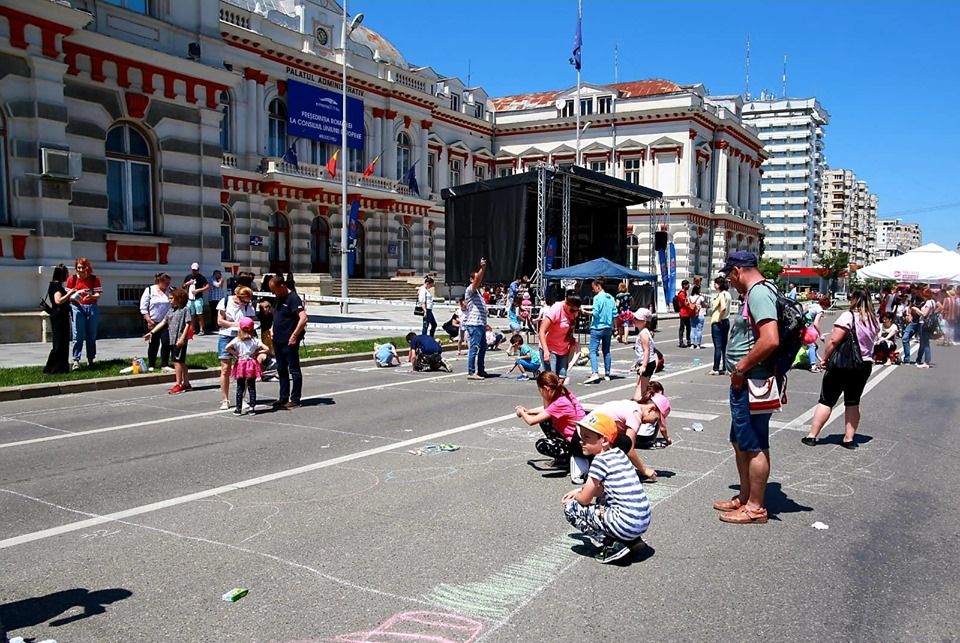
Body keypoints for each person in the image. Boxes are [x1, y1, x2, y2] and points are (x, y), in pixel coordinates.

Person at [714, 251, 779, 525]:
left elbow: (770, 340)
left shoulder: (759, 294)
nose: (730, 281)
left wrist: (740, 368)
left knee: (754, 444)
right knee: (740, 440)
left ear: (737, 271)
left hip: (752, 381)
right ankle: (744, 496)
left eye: (730, 275)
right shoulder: (754, 293)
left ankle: (756, 507)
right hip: (746, 381)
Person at [561, 412, 651, 563]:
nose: (581, 441)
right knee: (603, 500)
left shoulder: (600, 461)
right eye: (581, 436)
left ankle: (613, 544)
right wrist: (579, 490)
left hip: (625, 522)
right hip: (642, 521)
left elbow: (584, 500)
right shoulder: (618, 454)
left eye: (587, 437)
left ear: (603, 440)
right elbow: (604, 490)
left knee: (571, 509)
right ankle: (632, 541)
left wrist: (577, 495)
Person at [802, 289, 880, 448]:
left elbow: (834, 340)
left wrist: (824, 358)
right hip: (863, 365)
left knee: (827, 400)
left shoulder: (848, 316)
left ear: (854, 300)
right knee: (853, 401)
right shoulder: (874, 320)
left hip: (843, 364)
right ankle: (849, 439)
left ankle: (812, 435)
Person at [515, 371, 588, 483]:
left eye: (540, 390)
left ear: (546, 389)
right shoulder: (563, 393)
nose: (540, 393)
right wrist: (529, 411)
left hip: (577, 442)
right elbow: (547, 410)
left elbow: (531, 421)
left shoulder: (560, 402)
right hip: (580, 436)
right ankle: (564, 456)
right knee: (545, 420)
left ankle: (566, 457)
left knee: (542, 444)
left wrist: (522, 412)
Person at [143, 287, 192, 395]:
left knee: (177, 361)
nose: (169, 300)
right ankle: (187, 384)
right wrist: (152, 333)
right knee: (181, 361)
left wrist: (182, 338)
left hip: (179, 339)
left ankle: (179, 383)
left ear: (178, 298)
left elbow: (188, 324)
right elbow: (163, 322)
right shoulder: (171, 310)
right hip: (172, 339)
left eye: (171, 298)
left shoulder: (185, 309)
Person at [215, 286, 257, 410]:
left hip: (242, 337)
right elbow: (220, 321)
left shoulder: (248, 305)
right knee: (225, 368)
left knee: (243, 369)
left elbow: (251, 319)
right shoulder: (225, 301)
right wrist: (236, 324)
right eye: (243, 301)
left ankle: (242, 398)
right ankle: (225, 399)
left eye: (247, 301)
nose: (245, 303)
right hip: (226, 336)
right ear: (237, 296)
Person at [270, 275, 308, 408]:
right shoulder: (278, 299)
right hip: (277, 339)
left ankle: (295, 399)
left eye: (274, 290)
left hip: (289, 340)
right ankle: (283, 397)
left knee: (294, 369)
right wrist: (272, 329)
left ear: (282, 286)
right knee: (281, 369)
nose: (273, 293)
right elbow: (276, 317)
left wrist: (294, 335)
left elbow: (303, 319)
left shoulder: (293, 298)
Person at [66, 257, 102, 370]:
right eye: (78, 267)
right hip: (77, 307)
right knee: (78, 335)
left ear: (87, 267)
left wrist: (91, 295)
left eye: (83, 267)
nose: (80, 270)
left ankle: (91, 359)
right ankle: (76, 360)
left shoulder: (94, 279)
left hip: (91, 307)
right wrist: (76, 295)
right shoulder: (72, 279)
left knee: (91, 335)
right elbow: (68, 296)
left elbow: (98, 295)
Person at [227, 317, 267, 415]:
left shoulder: (237, 340)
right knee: (251, 386)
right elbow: (266, 348)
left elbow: (227, 347)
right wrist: (257, 352)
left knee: (240, 387)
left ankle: (238, 408)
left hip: (241, 364)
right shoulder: (255, 340)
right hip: (251, 364)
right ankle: (252, 408)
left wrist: (236, 354)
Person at [538, 293, 582, 382]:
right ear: (566, 302)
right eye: (571, 310)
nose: (573, 313)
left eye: (576, 310)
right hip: (550, 348)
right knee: (552, 379)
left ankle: (557, 395)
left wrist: (571, 340)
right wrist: (546, 352)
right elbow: (542, 331)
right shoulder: (556, 309)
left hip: (564, 349)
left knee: (562, 376)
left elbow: (569, 327)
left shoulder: (574, 312)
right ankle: (550, 395)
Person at [43, 264, 76, 374]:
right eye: (66, 273)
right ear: (61, 274)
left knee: (63, 342)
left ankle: (61, 367)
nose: (67, 275)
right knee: (59, 343)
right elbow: (58, 301)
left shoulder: (54, 285)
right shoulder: (57, 286)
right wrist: (70, 293)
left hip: (59, 315)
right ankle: (52, 367)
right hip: (59, 317)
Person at [585, 278, 616, 384]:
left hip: (597, 327)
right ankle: (607, 373)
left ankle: (595, 372)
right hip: (608, 327)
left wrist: (584, 311)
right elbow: (615, 314)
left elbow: (596, 313)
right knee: (606, 351)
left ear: (598, 286)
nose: (593, 291)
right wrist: (615, 327)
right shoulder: (611, 298)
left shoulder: (597, 298)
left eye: (594, 288)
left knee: (593, 351)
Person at [139, 272, 173, 371]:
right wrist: (148, 320)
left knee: (166, 343)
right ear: (160, 281)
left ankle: (164, 364)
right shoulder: (149, 290)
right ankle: (151, 364)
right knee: (153, 343)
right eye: (166, 283)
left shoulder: (170, 291)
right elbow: (143, 307)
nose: (167, 285)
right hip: (153, 321)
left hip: (166, 322)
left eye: (169, 283)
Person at [463, 257, 489, 380]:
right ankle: (471, 372)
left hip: (480, 324)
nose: (478, 281)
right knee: (474, 348)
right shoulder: (470, 290)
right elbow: (477, 280)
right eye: (475, 278)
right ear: (471, 279)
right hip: (474, 324)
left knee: (483, 347)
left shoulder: (478, 293)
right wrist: (482, 268)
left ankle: (481, 370)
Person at [632, 308, 658, 399]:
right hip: (645, 362)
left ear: (644, 322)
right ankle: (641, 401)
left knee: (641, 388)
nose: (634, 320)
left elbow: (646, 350)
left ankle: (640, 403)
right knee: (639, 384)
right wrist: (637, 363)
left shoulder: (643, 333)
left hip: (648, 363)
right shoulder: (644, 332)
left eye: (637, 319)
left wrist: (643, 366)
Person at [709, 277, 731, 375]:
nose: (714, 285)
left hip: (719, 322)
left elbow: (723, 308)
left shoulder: (721, 295)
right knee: (724, 346)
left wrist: (718, 319)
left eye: (715, 283)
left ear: (719, 285)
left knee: (717, 346)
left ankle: (716, 368)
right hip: (726, 321)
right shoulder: (728, 294)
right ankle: (725, 367)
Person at [804, 295, 830, 371]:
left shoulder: (814, 305)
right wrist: (821, 335)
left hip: (799, 326)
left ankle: (818, 361)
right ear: (825, 305)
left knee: (814, 345)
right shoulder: (820, 310)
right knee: (812, 345)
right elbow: (816, 323)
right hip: (802, 328)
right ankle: (813, 366)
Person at [183, 262, 209, 336]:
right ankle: (192, 329)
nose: (194, 271)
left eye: (196, 270)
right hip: (190, 299)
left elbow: (207, 286)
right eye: (193, 270)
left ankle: (201, 329)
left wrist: (199, 290)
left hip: (198, 298)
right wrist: (187, 284)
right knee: (191, 314)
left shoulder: (201, 277)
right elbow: (183, 286)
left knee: (199, 314)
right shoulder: (188, 277)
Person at [914, 287, 937, 368]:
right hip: (929, 324)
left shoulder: (928, 303)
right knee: (924, 343)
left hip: (924, 324)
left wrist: (916, 309)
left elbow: (924, 314)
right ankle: (920, 359)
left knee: (925, 343)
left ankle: (926, 362)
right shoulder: (933, 302)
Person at [901, 292, 923, 363]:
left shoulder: (925, 301)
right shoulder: (914, 298)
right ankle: (907, 359)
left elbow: (924, 313)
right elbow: (910, 308)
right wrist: (910, 315)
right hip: (913, 323)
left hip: (922, 323)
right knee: (905, 338)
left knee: (923, 342)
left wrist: (916, 309)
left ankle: (919, 359)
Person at [688, 284, 706, 349]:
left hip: (692, 315)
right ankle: (698, 345)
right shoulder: (700, 297)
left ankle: (692, 344)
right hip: (700, 314)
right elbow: (704, 305)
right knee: (699, 330)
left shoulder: (689, 297)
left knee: (692, 329)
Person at [677, 280, 691, 347]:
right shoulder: (682, 294)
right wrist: (691, 306)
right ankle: (681, 342)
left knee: (688, 327)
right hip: (683, 313)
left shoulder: (685, 293)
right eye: (687, 285)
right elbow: (685, 304)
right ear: (684, 285)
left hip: (687, 313)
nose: (689, 286)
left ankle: (688, 340)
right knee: (682, 328)